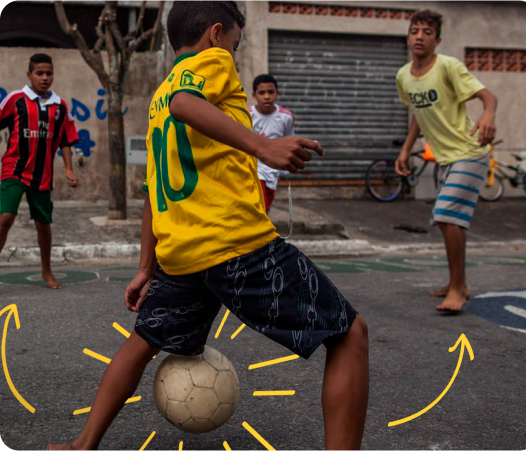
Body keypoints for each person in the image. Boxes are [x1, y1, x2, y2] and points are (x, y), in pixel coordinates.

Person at [47, 1, 368, 450]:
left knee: (142, 342)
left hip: (182, 257)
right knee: (349, 335)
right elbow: (187, 103)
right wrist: (263, 147)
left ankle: (82, 445)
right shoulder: (208, 64)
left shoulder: (161, 94)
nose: (233, 55)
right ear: (217, 34)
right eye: (236, 44)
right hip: (236, 244)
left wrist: (146, 266)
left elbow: (153, 191)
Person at [395, 10, 497, 312]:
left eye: (427, 32)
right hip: (445, 158)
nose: (419, 36)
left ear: (437, 40)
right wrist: (405, 150)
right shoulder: (403, 76)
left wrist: (488, 114)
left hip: (471, 151)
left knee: (445, 216)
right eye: (415, 31)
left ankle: (457, 289)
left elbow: (488, 97)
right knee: (453, 223)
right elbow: (417, 114)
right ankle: (459, 282)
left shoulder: (449, 66)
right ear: (408, 36)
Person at [0, 53, 78, 289]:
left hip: (42, 175)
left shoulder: (60, 106)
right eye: (39, 73)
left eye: (49, 73)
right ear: (29, 75)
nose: (44, 78)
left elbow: (65, 139)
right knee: (5, 217)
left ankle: (46, 271)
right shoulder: (16, 99)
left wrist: (68, 169)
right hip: (14, 169)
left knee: (43, 224)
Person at [249, 74, 294, 213]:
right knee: (258, 208)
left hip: (273, 172)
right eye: (262, 93)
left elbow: (288, 140)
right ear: (254, 95)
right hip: (253, 170)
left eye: (271, 92)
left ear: (277, 93)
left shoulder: (285, 117)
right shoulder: (248, 115)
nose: (267, 96)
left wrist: (285, 165)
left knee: (265, 209)